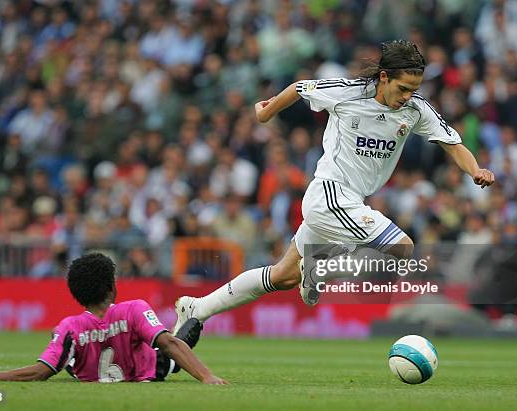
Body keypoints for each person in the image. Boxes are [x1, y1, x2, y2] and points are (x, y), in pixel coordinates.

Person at [173, 40, 495, 333]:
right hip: (329, 193)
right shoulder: (348, 92)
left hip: (349, 200)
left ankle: (197, 308)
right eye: (404, 88)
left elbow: (452, 144)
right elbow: (301, 87)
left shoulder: (415, 110)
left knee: (282, 275)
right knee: (404, 248)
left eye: (414, 88)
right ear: (383, 78)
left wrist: (475, 169)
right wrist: (266, 112)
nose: (408, 96)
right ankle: (319, 268)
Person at [0, 253, 226, 384]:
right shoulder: (134, 308)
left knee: (67, 356)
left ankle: (74, 358)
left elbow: (39, 371)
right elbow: (170, 345)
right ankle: (193, 317)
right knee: (171, 353)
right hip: (151, 368)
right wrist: (207, 376)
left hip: (91, 363)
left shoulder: (69, 327)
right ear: (112, 286)